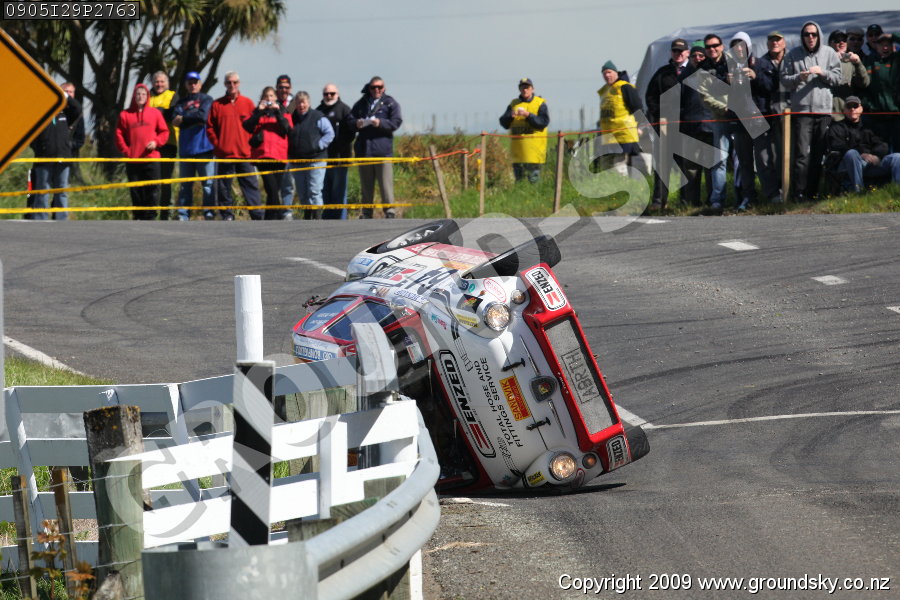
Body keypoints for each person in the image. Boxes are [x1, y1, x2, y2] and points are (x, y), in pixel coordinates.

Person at [782, 21, 841, 201]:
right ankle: (798, 193)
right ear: (802, 37)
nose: (810, 37)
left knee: (818, 154)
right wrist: (799, 77)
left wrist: (822, 72)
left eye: (813, 34)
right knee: (802, 154)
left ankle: (813, 193)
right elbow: (784, 79)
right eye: (807, 34)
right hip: (802, 112)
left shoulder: (829, 53)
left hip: (823, 111)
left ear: (819, 35)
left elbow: (838, 78)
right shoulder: (793, 55)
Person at [206, 70, 262, 220]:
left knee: (251, 186)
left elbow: (256, 126)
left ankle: (257, 215)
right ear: (225, 84)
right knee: (223, 187)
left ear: (239, 83)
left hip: (245, 154)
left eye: (235, 82)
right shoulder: (217, 104)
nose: (232, 85)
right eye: (229, 82)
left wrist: (252, 146)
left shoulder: (248, 103)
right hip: (224, 154)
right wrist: (218, 145)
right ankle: (227, 215)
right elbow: (210, 128)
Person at [348, 76, 403, 218]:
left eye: (379, 87)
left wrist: (381, 123)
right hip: (364, 150)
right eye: (373, 87)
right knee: (366, 185)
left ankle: (389, 211)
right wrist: (356, 124)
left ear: (384, 88)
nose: (376, 90)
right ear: (369, 88)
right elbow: (350, 120)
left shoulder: (390, 103)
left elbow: (396, 121)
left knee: (385, 184)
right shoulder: (361, 103)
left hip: (382, 150)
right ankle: (366, 212)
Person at [645, 38, 689, 211]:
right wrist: (660, 115)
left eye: (681, 51)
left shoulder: (693, 72)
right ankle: (659, 201)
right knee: (663, 165)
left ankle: (686, 201)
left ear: (687, 52)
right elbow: (650, 97)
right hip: (665, 127)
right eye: (674, 51)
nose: (677, 54)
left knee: (685, 165)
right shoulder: (662, 73)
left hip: (687, 127)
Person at [115, 83, 169, 220]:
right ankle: (138, 215)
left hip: (151, 158)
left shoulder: (155, 113)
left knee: (153, 187)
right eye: (138, 94)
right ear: (134, 96)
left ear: (147, 96)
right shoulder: (125, 114)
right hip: (133, 159)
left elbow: (164, 132)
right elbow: (119, 134)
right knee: (135, 189)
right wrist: (126, 151)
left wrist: (156, 142)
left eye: (144, 94)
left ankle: (151, 216)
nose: (141, 97)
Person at [826, 96, 900, 192]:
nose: (852, 109)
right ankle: (857, 191)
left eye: (855, 106)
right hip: (848, 166)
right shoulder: (837, 127)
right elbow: (838, 147)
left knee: (897, 157)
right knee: (851, 153)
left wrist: (876, 155)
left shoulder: (870, 126)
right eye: (849, 106)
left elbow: (882, 144)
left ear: (861, 109)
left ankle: (896, 191)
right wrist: (861, 155)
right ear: (844, 110)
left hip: (871, 163)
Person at [242, 86, 292, 220]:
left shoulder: (283, 111)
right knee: (271, 188)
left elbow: (287, 129)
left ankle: (270, 219)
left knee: (274, 190)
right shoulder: (257, 112)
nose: (269, 99)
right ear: (262, 98)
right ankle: (279, 216)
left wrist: (277, 112)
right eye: (266, 96)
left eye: (271, 96)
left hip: (279, 156)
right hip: (262, 156)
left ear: (276, 98)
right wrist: (259, 112)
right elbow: (247, 126)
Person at [172, 71, 215, 221]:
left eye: (195, 82)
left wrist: (184, 118)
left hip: (204, 148)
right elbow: (175, 121)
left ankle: (209, 214)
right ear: (186, 85)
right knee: (185, 185)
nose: (193, 85)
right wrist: (192, 118)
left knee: (208, 184)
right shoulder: (180, 103)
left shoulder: (207, 99)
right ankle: (183, 215)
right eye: (190, 83)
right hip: (186, 150)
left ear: (200, 84)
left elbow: (203, 117)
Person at [29, 94, 79, 220]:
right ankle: (40, 218)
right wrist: (41, 150)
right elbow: (31, 138)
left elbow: (77, 109)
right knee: (42, 190)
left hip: (63, 159)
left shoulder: (65, 115)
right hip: (44, 159)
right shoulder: (40, 115)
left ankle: (61, 219)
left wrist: (65, 96)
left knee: (62, 190)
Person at [678, 41, 716, 207]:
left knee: (711, 166)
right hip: (690, 128)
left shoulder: (712, 73)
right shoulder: (684, 76)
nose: (697, 58)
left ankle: (713, 200)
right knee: (691, 168)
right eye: (694, 55)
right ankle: (692, 202)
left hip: (710, 126)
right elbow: (677, 102)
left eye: (701, 55)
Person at [752, 31, 789, 202]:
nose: (775, 43)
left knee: (785, 155)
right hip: (764, 114)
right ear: (767, 44)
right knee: (764, 157)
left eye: (778, 39)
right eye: (771, 40)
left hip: (788, 115)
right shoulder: (759, 63)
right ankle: (772, 193)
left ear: (784, 42)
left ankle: (789, 190)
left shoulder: (793, 60)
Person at [288, 91, 334, 219]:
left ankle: (317, 218)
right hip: (298, 161)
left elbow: (330, 133)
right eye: (298, 103)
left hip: (316, 159)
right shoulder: (292, 118)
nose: (301, 105)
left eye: (303, 102)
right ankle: (307, 217)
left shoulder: (318, 116)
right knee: (302, 192)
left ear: (308, 103)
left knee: (314, 190)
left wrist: (318, 145)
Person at [596, 60, 643, 178]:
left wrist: (639, 126)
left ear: (616, 73)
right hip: (608, 136)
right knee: (607, 167)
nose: (607, 75)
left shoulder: (625, 87)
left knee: (619, 167)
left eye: (609, 72)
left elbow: (637, 107)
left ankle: (624, 187)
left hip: (624, 134)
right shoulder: (605, 91)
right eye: (604, 73)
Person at [498, 78, 549, 184]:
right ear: (519, 89)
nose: (525, 90)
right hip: (517, 153)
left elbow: (543, 122)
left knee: (534, 181)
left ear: (532, 89)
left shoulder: (540, 103)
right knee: (519, 182)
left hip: (534, 153)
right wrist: (510, 116)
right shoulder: (513, 104)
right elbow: (503, 123)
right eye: (522, 87)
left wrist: (528, 115)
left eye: (527, 87)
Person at [317, 83, 355, 219]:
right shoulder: (319, 111)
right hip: (322, 158)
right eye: (326, 94)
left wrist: (340, 145)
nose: (329, 96)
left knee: (339, 191)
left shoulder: (344, 110)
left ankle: (340, 220)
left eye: (332, 93)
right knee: (324, 191)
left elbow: (351, 132)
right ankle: (327, 220)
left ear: (337, 94)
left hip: (340, 158)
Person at [149, 71, 179, 219]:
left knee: (165, 180)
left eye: (162, 82)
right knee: (151, 180)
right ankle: (150, 212)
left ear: (167, 83)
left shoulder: (173, 95)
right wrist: (160, 112)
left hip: (168, 144)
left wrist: (153, 113)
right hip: (149, 145)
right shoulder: (147, 96)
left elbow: (171, 113)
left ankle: (165, 214)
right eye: (156, 81)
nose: (159, 84)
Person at [863, 31, 900, 152]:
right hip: (877, 116)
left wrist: (893, 36)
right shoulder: (869, 61)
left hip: (896, 114)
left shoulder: (897, 59)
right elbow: (862, 86)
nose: (885, 48)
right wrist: (869, 104)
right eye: (882, 45)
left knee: (898, 150)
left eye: (888, 45)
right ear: (876, 46)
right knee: (881, 150)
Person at [827, 30, 869, 122]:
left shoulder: (852, 62)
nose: (841, 42)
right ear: (830, 43)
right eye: (837, 40)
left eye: (844, 40)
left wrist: (858, 63)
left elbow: (864, 83)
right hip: (826, 115)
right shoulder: (823, 61)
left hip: (847, 115)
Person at [275, 74, 295, 211]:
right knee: (275, 184)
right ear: (276, 88)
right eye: (281, 87)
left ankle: (287, 211)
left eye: (286, 87)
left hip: (290, 150)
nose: (284, 90)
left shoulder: (296, 103)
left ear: (290, 88)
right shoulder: (272, 102)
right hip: (275, 150)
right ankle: (275, 210)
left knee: (288, 184)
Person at [60, 82, 85, 184]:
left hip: (68, 157)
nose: (69, 94)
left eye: (71, 92)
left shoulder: (78, 115)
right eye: (66, 92)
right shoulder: (52, 112)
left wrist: (67, 145)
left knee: (62, 186)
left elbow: (80, 140)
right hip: (47, 157)